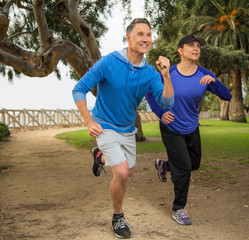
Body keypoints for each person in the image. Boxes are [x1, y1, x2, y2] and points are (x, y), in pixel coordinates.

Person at [72, 18, 174, 239]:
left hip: (128, 130)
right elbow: (79, 89)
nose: (146, 38)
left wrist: (166, 76)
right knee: (122, 172)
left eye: (148, 34)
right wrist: (89, 122)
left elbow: (167, 103)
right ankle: (118, 217)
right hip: (104, 125)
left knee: (129, 171)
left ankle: (100, 157)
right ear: (128, 38)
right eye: (140, 34)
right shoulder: (108, 62)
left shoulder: (149, 73)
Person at [145, 34, 232, 225]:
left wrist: (214, 82)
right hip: (171, 126)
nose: (196, 48)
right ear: (180, 50)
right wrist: (161, 113)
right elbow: (150, 93)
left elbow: (227, 96)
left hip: (192, 127)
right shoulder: (170, 72)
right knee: (184, 167)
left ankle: (166, 165)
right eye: (191, 45)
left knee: (193, 164)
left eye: (198, 46)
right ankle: (179, 208)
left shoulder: (204, 74)